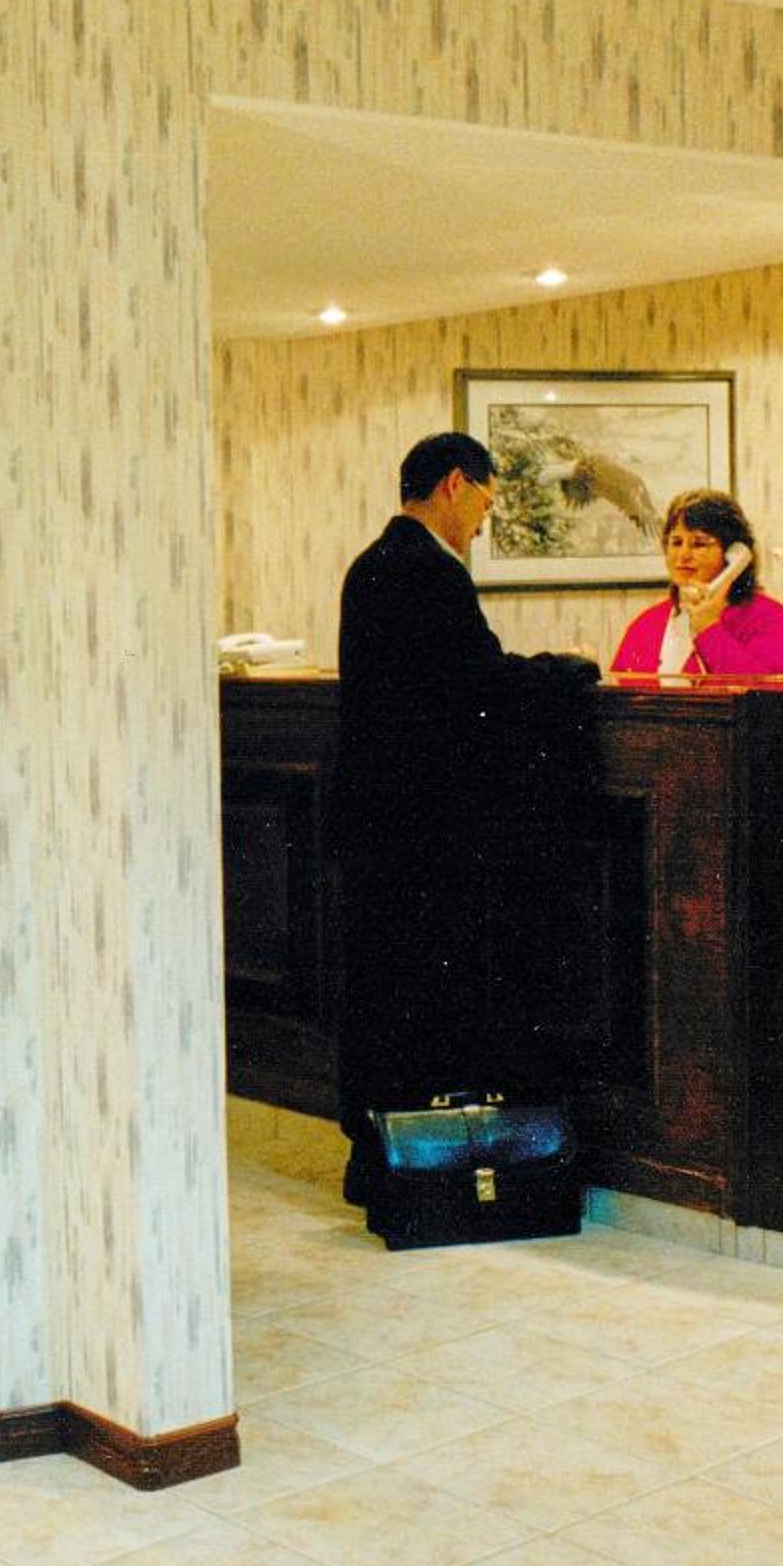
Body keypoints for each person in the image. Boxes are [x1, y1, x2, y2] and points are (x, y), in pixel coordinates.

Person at [328, 431, 600, 1195]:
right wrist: (562, 671)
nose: (484, 520)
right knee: (422, 998)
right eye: (485, 501)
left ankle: (376, 1158)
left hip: (376, 819)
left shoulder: (370, 564)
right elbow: (477, 686)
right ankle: (418, 1169)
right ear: (455, 483)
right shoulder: (429, 571)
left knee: (380, 991)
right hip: (424, 827)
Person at [609, 489, 783, 678]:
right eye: (676, 542)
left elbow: (771, 696)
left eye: (699, 543)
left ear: (733, 553)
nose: (683, 555)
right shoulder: (647, 624)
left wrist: (709, 629)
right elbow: (618, 695)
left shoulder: (769, 618)